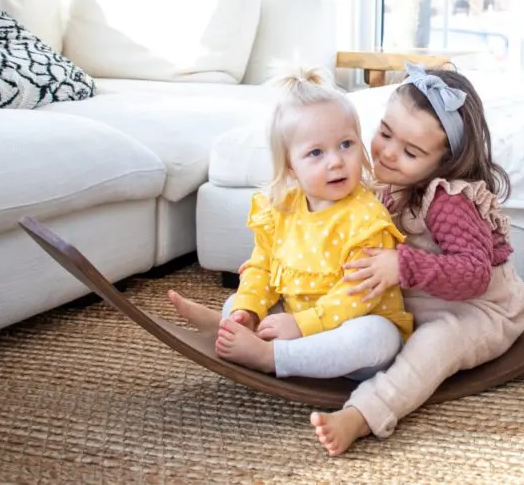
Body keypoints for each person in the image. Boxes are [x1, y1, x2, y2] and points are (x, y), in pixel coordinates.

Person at [311, 63, 524, 455]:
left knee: (435, 343)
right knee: (344, 289)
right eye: (384, 133)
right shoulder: (382, 184)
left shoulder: (448, 202)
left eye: (411, 152)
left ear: (445, 162)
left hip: (480, 308)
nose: (388, 153)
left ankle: (363, 414)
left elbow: (474, 275)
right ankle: (259, 326)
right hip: (420, 295)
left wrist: (402, 265)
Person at [168, 66, 413, 380]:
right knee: (236, 301)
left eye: (346, 144)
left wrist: (303, 325)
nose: (336, 160)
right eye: (315, 152)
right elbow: (262, 268)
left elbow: (358, 294)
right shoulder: (280, 209)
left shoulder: (366, 219)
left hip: (350, 327)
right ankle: (236, 326)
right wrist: (249, 308)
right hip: (295, 321)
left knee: (376, 336)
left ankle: (270, 356)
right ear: (291, 167)